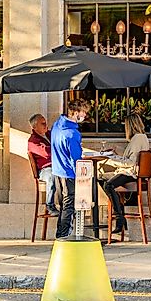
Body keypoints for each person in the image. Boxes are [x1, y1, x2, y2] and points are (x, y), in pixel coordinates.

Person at [100, 114, 150, 234]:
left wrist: (112, 159)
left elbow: (130, 163)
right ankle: (120, 217)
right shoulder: (142, 137)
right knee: (101, 178)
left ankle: (119, 218)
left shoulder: (137, 139)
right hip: (134, 173)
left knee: (108, 185)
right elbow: (133, 157)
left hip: (130, 173)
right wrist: (116, 154)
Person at [50, 99, 91, 238]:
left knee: (63, 206)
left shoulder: (56, 125)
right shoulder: (72, 134)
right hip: (69, 174)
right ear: (75, 113)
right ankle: (63, 237)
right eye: (83, 112)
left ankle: (60, 235)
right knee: (69, 207)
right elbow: (76, 160)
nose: (85, 116)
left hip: (57, 171)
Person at [27, 113, 60, 215]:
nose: (46, 125)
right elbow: (46, 154)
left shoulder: (50, 135)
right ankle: (49, 205)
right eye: (43, 123)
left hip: (57, 166)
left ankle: (68, 206)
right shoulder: (33, 141)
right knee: (51, 175)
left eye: (45, 123)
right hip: (45, 170)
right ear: (35, 127)